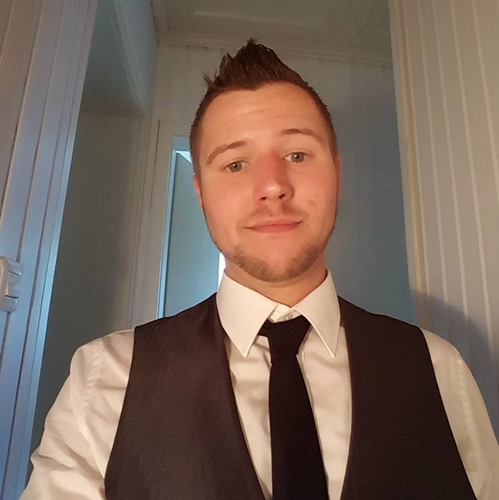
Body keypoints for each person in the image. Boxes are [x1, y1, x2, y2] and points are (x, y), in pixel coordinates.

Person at [23, 40, 498, 499]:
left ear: (336, 175)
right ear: (201, 194)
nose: (272, 185)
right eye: (235, 165)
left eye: (297, 155)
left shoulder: (440, 370)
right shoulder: (105, 378)